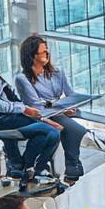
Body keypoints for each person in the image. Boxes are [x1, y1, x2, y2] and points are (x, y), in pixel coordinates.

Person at [0, 19, 60, 180]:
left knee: (52, 133)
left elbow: (1, 90)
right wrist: (23, 109)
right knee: (49, 133)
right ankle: (26, 168)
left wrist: (21, 107)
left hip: (4, 115)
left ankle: (26, 166)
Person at [14, 34, 87, 184]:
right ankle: (72, 167)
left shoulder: (57, 72)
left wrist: (71, 105)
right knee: (75, 130)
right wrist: (59, 105)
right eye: (43, 52)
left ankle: (72, 168)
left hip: (57, 112)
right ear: (32, 56)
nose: (47, 54)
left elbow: (70, 94)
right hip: (40, 115)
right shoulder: (22, 78)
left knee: (75, 128)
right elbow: (36, 105)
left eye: (47, 51)